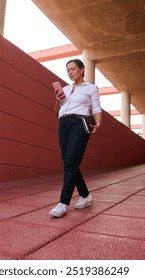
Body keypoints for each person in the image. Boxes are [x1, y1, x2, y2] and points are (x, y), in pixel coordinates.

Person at [49, 59, 102, 218]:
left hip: (80, 123)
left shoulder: (91, 88)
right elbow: (56, 112)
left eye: (73, 69)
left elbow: (96, 107)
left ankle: (63, 203)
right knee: (69, 161)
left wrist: (98, 122)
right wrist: (57, 101)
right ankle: (85, 196)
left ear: (82, 69)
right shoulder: (65, 89)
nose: (70, 72)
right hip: (63, 124)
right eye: (68, 70)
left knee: (71, 161)